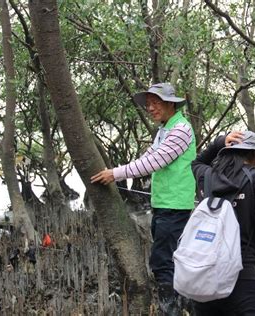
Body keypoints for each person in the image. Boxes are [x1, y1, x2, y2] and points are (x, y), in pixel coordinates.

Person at [91, 82, 196, 315]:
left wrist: (115, 173)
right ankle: (182, 306)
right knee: (170, 259)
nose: (151, 108)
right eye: (148, 104)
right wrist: (116, 170)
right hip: (163, 204)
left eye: (156, 103)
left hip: (175, 205)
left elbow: (155, 162)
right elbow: (148, 156)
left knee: (162, 262)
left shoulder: (181, 129)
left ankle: (173, 310)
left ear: (171, 103)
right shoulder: (165, 129)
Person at [191, 130, 255, 315]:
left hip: (205, 275)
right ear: (253, 154)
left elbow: (197, 162)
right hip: (241, 274)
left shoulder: (207, 176)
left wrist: (219, 142)